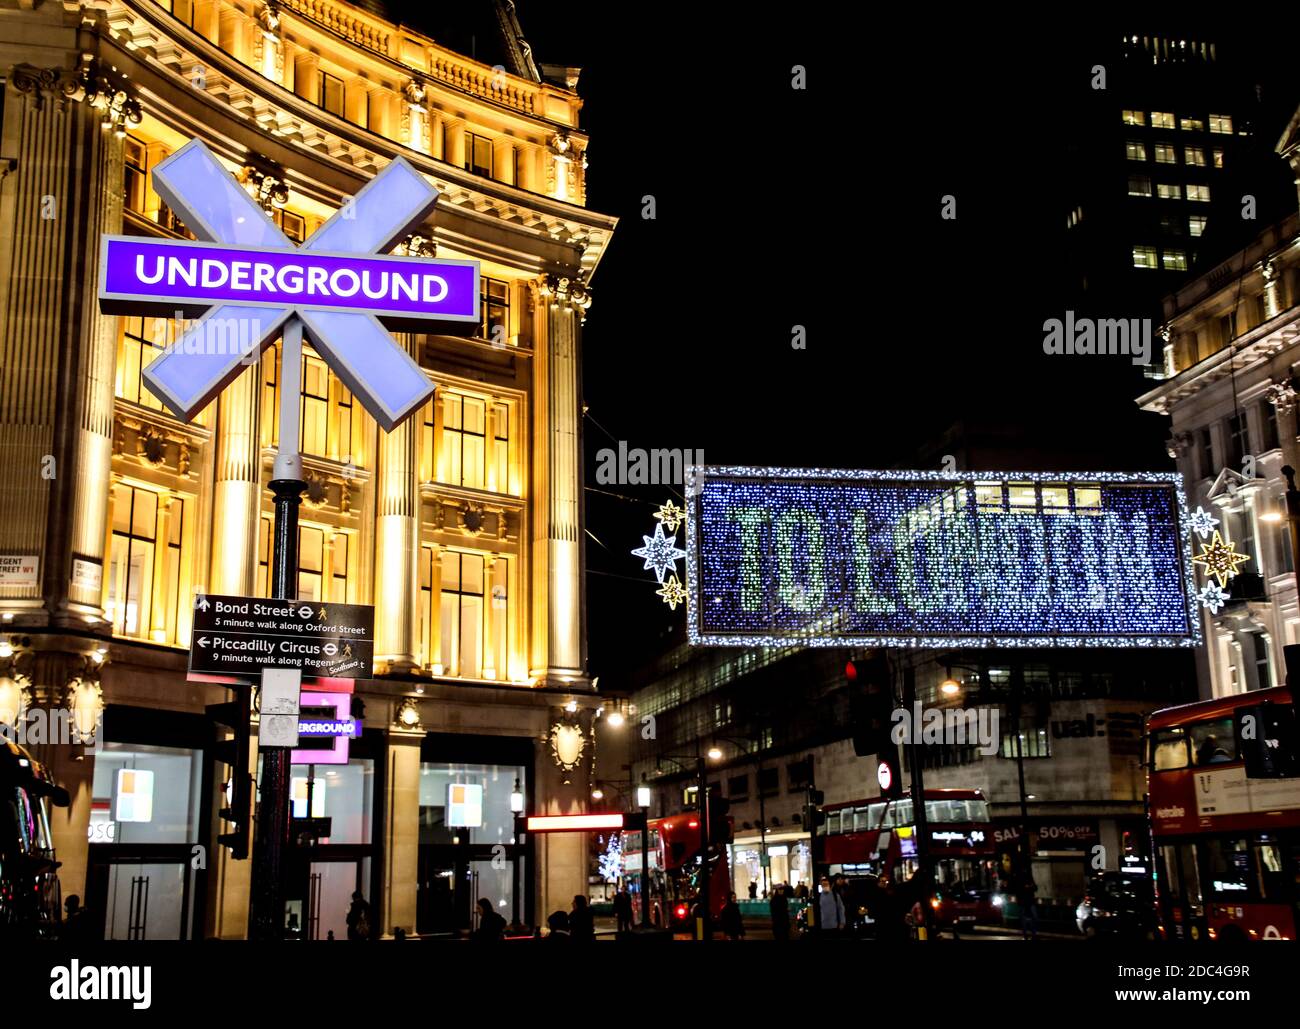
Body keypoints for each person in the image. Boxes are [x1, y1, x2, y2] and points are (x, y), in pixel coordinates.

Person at [1018, 870, 1039, 941]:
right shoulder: (1021, 882)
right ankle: (1027, 935)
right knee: (1027, 920)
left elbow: (1035, 888)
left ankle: (1031, 935)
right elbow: (1032, 888)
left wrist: (1029, 886)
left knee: (1031, 919)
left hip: (1028, 902)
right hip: (1025, 903)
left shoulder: (1029, 881)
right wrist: (1029, 887)